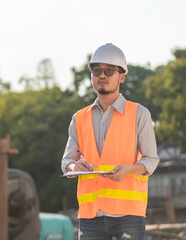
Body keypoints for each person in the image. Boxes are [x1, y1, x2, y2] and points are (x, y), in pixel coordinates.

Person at [61, 43, 159, 240]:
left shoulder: (139, 114)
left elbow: (151, 160)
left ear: (121, 76)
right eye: (97, 71)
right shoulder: (79, 118)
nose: (102, 75)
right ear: (91, 76)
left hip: (128, 216)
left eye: (109, 71)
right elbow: (66, 162)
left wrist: (128, 170)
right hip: (90, 217)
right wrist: (74, 166)